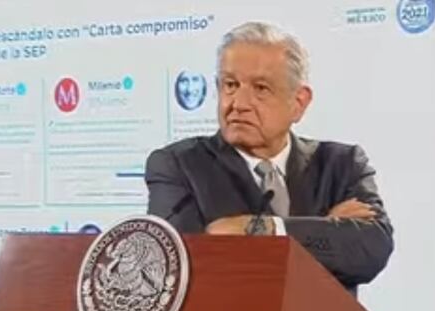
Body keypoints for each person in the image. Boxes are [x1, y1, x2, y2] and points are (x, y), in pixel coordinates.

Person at [145, 22, 393, 293]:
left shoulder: (342, 164)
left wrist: (265, 229)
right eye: (230, 85)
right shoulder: (178, 166)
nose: (239, 103)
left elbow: (372, 249)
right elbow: (187, 271)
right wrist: (326, 230)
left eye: (261, 88)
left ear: (299, 102)